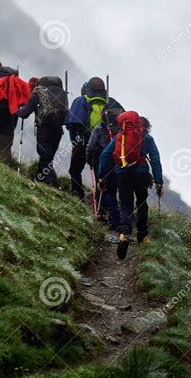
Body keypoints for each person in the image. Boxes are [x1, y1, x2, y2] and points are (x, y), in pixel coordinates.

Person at [98, 110, 164, 260]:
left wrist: (102, 177)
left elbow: (105, 155)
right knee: (141, 203)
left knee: (126, 205)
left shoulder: (120, 137)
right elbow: (155, 159)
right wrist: (159, 181)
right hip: (141, 174)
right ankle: (143, 235)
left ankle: (124, 234)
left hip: (122, 173)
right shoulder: (147, 138)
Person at [16, 76, 68, 187]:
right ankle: (41, 180)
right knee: (49, 158)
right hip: (58, 131)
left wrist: (17, 111)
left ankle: (52, 185)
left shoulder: (37, 93)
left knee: (45, 159)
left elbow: (25, 113)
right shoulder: (62, 94)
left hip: (44, 130)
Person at [65, 77, 108, 200]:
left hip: (83, 142)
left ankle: (77, 195)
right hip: (103, 146)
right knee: (100, 175)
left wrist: (75, 143)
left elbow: (72, 124)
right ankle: (102, 204)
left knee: (74, 170)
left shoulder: (81, 101)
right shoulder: (108, 104)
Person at [86, 98, 125, 235]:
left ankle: (105, 215)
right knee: (119, 190)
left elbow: (91, 146)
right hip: (121, 162)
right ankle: (123, 219)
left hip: (104, 160)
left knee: (104, 187)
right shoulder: (122, 129)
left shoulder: (100, 128)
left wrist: (89, 158)